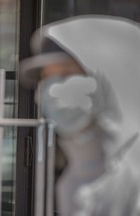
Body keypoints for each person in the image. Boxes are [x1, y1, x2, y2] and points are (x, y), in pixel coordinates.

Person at [20, 15, 140, 216]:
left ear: (114, 76)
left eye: (67, 73)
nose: (52, 90)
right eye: (47, 77)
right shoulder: (75, 177)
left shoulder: (133, 178)